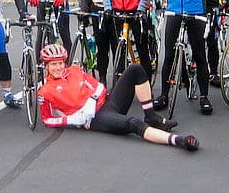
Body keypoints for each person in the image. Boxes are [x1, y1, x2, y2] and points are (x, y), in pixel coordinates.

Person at [37, 44, 198, 151]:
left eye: (60, 63)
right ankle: (179, 141)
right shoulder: (45, 91)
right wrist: (72, 120)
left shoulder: (74, 70)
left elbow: (99, 86)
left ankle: (151, 116)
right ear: (46, 67)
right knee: (133, 123)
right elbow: (47, 119)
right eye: (53, 64)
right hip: (94, 118)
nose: (58, 67)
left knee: (135, 69)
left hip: (106, 102)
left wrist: (92, 99)